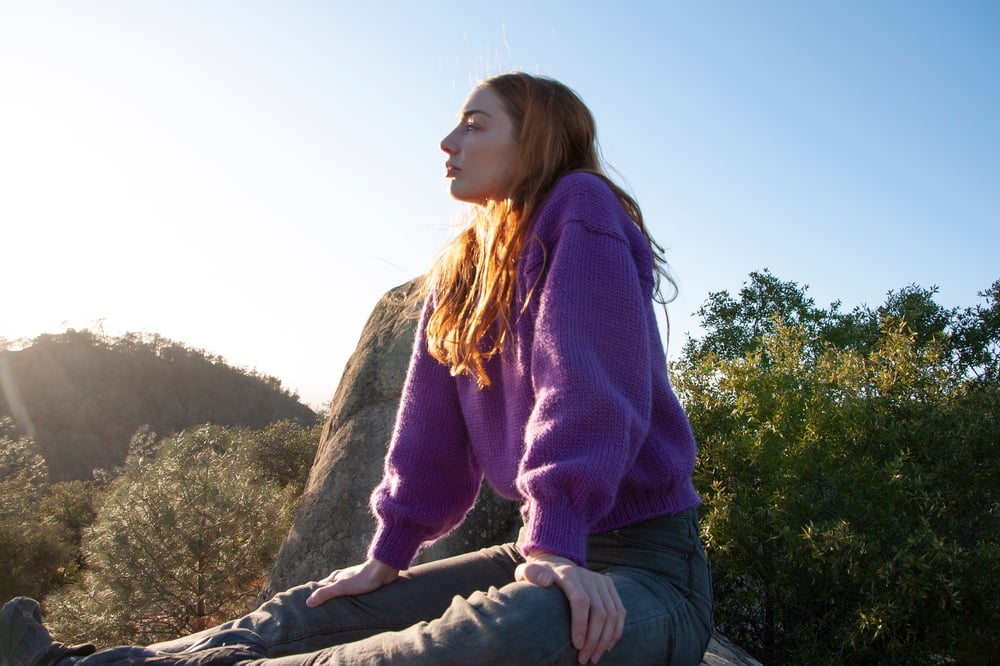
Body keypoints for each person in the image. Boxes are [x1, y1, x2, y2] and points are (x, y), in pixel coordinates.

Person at [1, 72, 713, 666]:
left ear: (537, 141)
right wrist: (388, 555)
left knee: (494, 637)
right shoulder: (462, 269)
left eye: (474, 124)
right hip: (545, 547)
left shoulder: (578, 207)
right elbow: (427, 431)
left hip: (650, 568)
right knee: (318, 606)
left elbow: (587, 386)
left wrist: (556, 543)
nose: (447, 142)